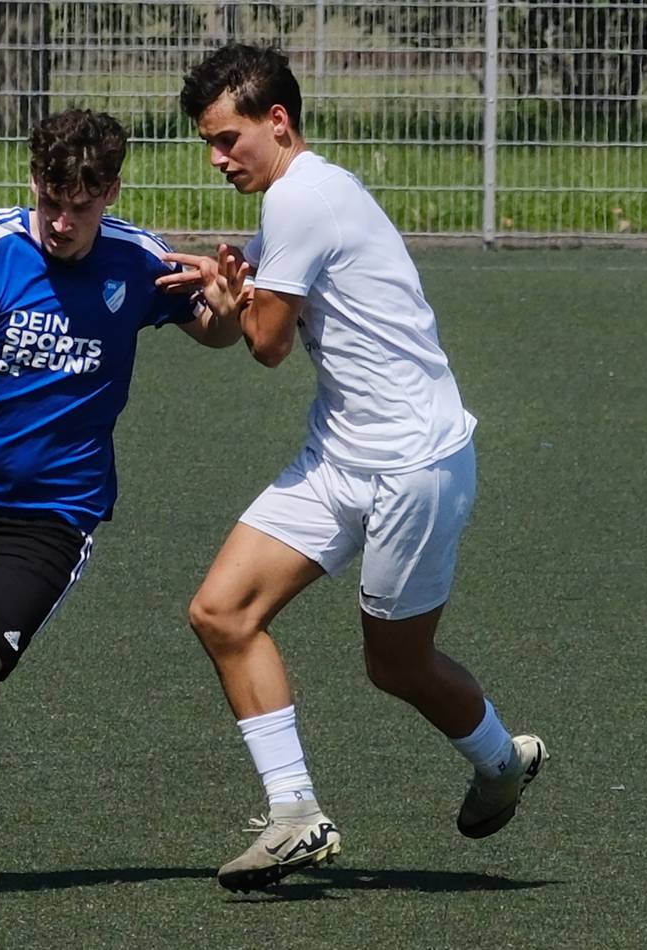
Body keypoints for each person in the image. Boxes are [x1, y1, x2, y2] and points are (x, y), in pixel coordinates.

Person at [159, 44, 548, 893]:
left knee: (396, 664)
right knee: (221, 612)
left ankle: (497, 760)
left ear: (278, 122)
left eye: (228, 141)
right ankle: (295, 814)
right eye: (208, 145)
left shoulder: (304, 199)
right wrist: (217, 298)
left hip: (415, 466)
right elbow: (237, 328)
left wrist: (236, 301)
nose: (218, 159)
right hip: (342, 454)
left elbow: (262, 345)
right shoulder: (294, 198)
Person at [0, 109, 246, 790]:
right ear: (32, 179)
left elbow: (214, 335)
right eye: (48, 200)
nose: (61, 223)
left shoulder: (138, 258)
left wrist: (229, 309)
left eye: (80, 206)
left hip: (47, 519)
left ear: (111, 194)